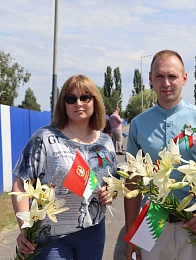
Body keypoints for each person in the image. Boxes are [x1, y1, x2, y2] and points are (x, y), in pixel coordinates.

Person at [124, 49, 196, 260]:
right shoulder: (138, 124)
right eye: (159, 76)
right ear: (150, 78)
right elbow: (132, 182)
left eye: (172, 76)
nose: (166, 82)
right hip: (152, 221)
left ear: (185, 78)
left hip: (195, 222)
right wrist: (131, 234)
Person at [11, 75, 118, 259]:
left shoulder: (106, 142)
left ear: (95, 101)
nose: (79, 103)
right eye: (71, 98)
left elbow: (113, 182)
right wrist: (24, 228)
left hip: (93, 231)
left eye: (85, 97)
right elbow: (20, 183)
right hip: (50, 235)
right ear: (63, 104)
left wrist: (110, 193)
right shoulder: (44, 138)